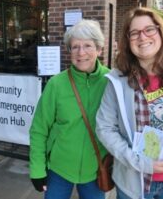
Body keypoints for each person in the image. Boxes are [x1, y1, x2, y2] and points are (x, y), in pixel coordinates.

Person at [96, 7, 163, 199]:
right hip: (133, 183)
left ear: (161, 32)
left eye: (149, 29)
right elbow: (105, 128)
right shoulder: (117, 80)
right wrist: (140, 161)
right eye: (134, 33)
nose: (142, 37)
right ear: (127, 41)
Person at [29, 19, 110, 199]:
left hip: (95, 168)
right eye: (75, 47)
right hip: (59, 169)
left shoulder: (111, 82)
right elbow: (39, 129)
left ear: (99, 49)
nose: (81, 53)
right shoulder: (56, 84)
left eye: (88, 45)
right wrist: (37, 169)